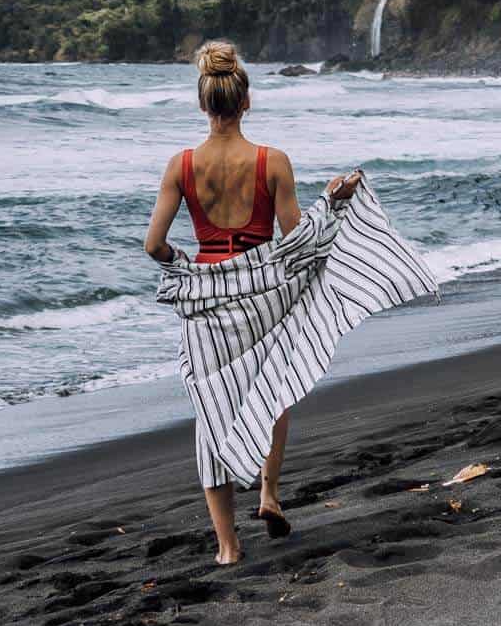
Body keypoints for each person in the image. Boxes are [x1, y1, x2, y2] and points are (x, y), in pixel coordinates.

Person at [144, 40, 362, 565]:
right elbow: (295, 241)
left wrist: (188, 265)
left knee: (211, 409)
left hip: (208, 301)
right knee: (274, 388)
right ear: (245, 103)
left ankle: (227, 546)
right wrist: (332, 204)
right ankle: (268, 493)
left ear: (203, 105)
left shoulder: (181, 166)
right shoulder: (272, 162)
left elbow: (153, 245)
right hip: (265, 292)